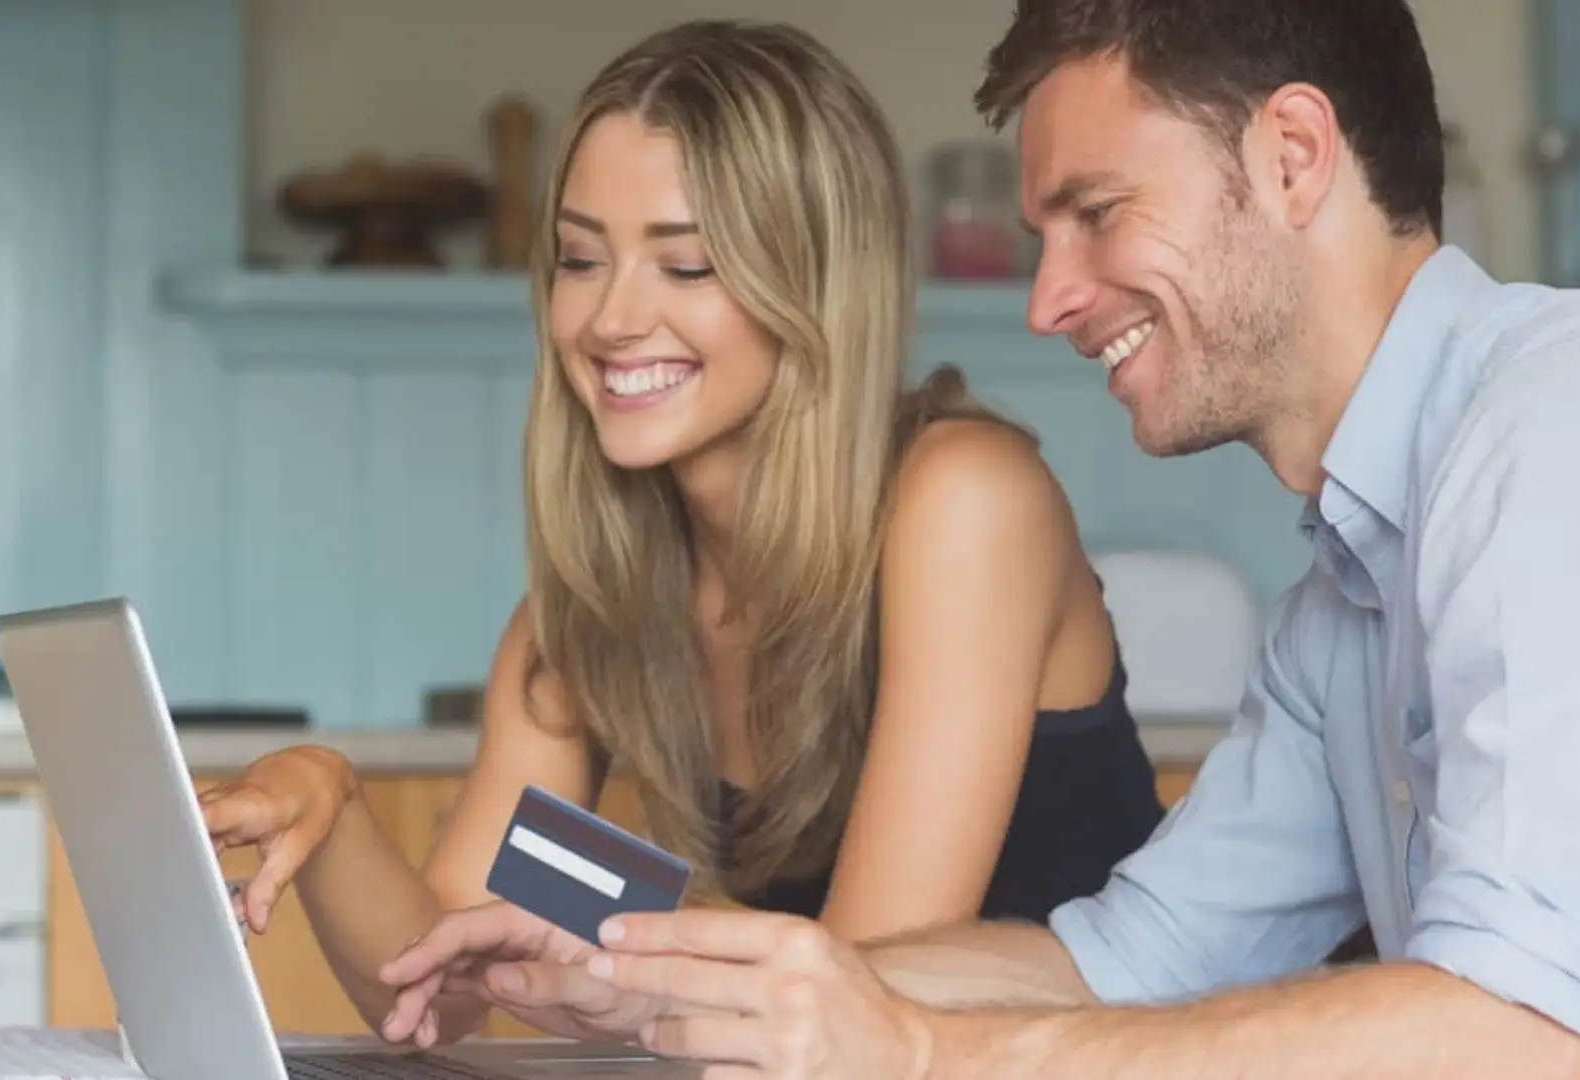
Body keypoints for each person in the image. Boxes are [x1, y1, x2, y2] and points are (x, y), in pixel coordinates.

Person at [376, 0, 1580, 1076]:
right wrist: (658, 983)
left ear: (1293, 153)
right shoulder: (1340, 607)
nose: (1047, 300)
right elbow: (1126, 959)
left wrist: (923, 1052)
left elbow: (1527, 1033)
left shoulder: (1561, 417)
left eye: (1096, 212)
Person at [199, 16, 1170, 1043]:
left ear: (813, 285)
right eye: (580, 258)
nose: (611, 319)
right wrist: (330, 807)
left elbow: (862, 990)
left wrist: (609, 923)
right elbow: (438, 987)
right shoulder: (588, 611)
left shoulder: (967, 502)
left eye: (688, 265)